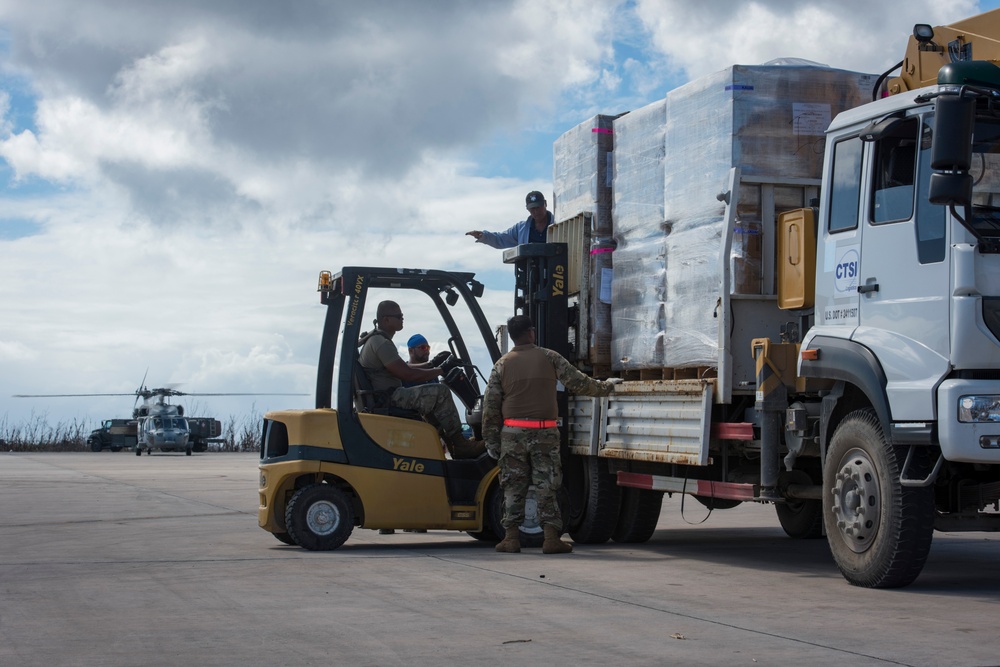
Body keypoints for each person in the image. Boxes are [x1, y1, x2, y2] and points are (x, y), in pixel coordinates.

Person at [482, 314, 620, 554]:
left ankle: (511, 538)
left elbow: (490, 407)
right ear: (531, 332)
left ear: (513, 336)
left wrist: (492, 440)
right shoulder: (549, 357)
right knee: (547, 484)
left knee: (513, 485)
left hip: (512, 434)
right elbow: (579, 383)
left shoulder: (501, 365)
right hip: (544, 432)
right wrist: (607, 386)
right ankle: (550, 539)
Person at [358, 301, 484, 460]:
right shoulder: (381, 343)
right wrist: (442, 369)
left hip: (386, 396)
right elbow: (408, 373)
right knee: (441, 393)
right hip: (390, 398)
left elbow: (406, 368)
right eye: (398, 316)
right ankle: (459, 444)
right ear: (386, 319)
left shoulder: (377, 340)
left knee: (431, 402)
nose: (402, 319)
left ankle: (449, 443)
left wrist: (433, 363)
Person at [466, 190, 553, 249]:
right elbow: (500, 239)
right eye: (532, 208)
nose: (536, 211)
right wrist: (483, 235)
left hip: (558, 273)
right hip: (531, 274)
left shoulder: (559, 224)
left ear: (545, 203)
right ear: (527, 209)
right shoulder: (520, 229)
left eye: (538, 207)